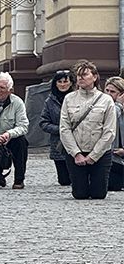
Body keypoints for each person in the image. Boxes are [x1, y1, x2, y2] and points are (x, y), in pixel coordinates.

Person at [59, 60, 117, 200]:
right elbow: (64, 128)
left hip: (99, 153)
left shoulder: (106, 100)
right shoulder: (69, 99)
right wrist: (76, 153)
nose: (80, 78)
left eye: (84, 75)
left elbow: (109, 132)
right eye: (78, 75)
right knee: (80, 194)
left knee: (99, 194)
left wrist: (94, 156)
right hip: (76, 152)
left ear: (95, 77)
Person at [39, 70, 74, 186]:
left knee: (76, 177)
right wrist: (60, 129)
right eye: (60, 81)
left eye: (65, 81)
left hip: (76, 141)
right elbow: (43, 122)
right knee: (64, 181)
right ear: (55, 83)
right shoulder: (50, 101)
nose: (63, 84)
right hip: (58, 144)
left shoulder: (76, 98)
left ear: (70, 83)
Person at [104, 76, 124, 192]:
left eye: (112, 92)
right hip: (111, 158)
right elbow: (108, 119)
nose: (108, 94)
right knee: (113, 186)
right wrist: (118, 106)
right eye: (107, 90)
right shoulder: (102, 106)